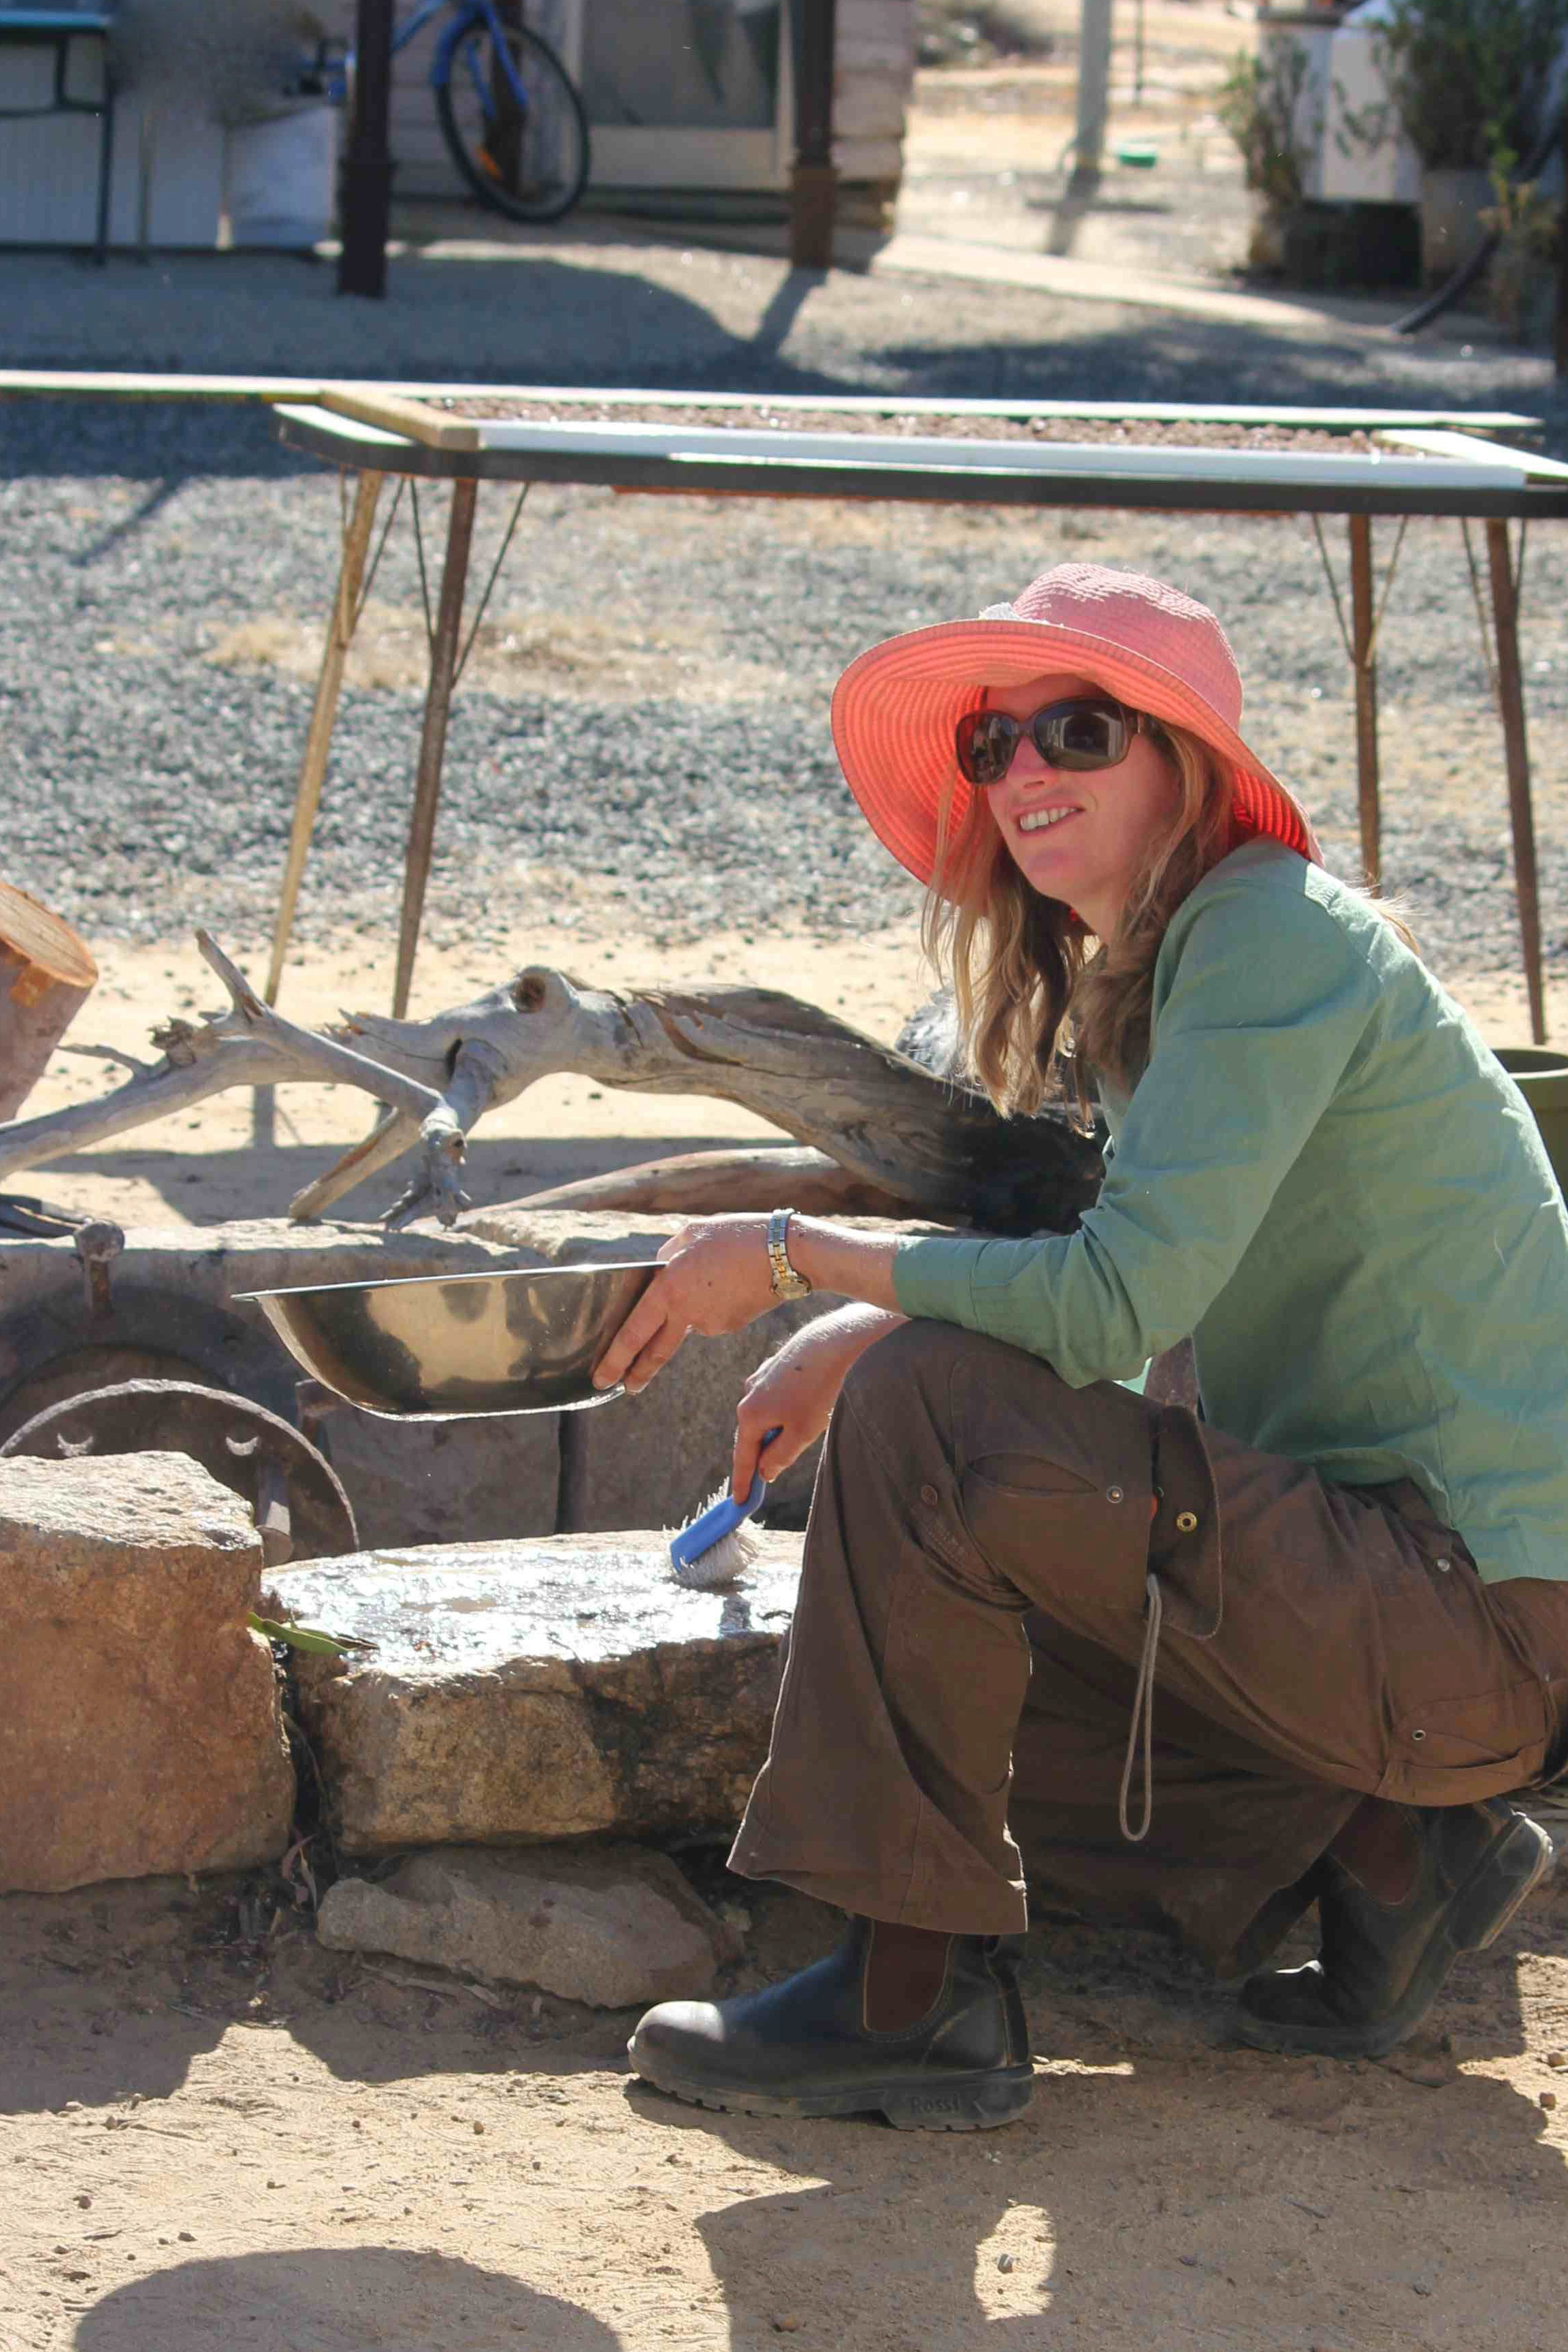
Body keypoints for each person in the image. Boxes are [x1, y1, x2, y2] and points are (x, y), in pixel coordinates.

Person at [592, 562, 1568, 2133]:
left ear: (1189, 764)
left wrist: (794, 1259)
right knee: (959, 1692)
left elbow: (1112, 1307)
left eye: (1080, 731)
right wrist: (868, 1318)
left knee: (929, 1410)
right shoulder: (1189, 968)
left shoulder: (1267, 933)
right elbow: (1139, 1336)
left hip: (1471, 1622)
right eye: (995, 745)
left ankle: (912, 1996)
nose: (1025, 771)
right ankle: (1396, 1858)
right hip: (1416, 1618)